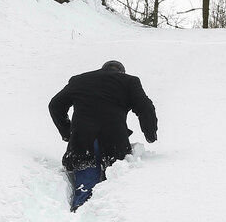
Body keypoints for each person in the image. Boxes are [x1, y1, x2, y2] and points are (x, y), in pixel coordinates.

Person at [49, 60, 158, 210]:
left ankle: (80, 207)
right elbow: (146, 108)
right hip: (114, 139)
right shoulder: (129, 81)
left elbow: (55, 105)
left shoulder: (80, 80)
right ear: (121, 72)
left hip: (83, 139)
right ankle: (104, 219)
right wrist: (150, 133)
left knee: (86, 179)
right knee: (113, 183)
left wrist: (67, 132)